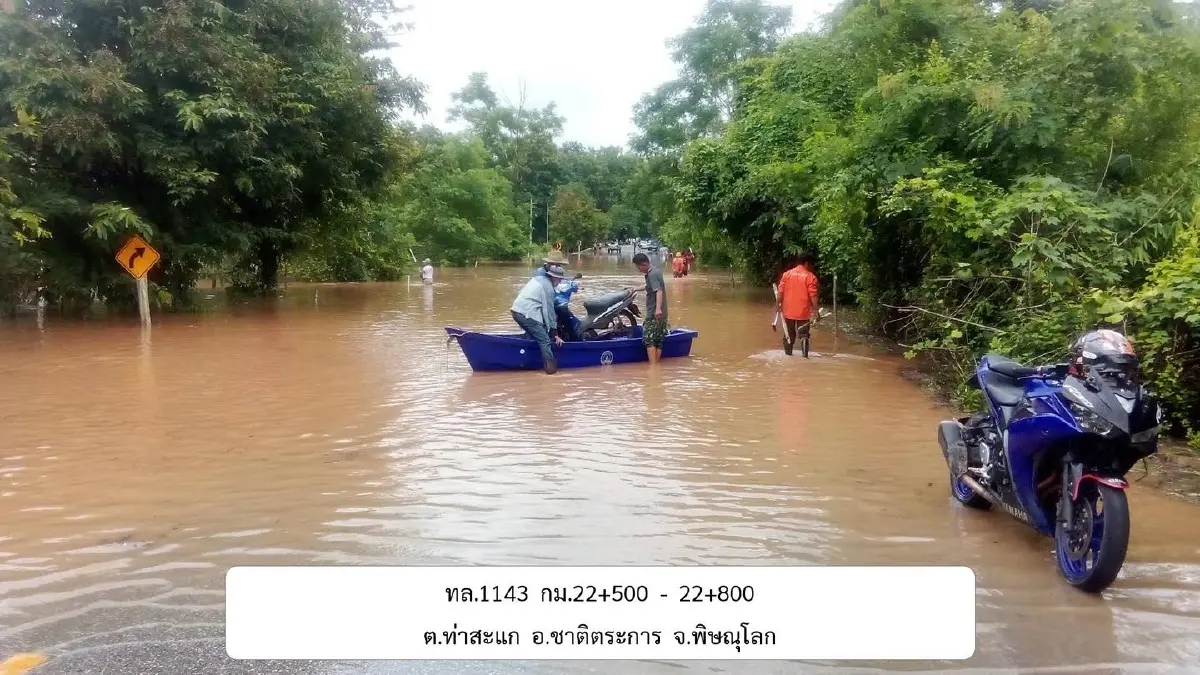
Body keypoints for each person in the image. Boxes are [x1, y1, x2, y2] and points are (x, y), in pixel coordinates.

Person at [511, 264, 566, 374]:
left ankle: (529, 361)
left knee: (535, 337)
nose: (560, 283)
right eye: (559, 280)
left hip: (516, 310)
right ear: (554, 278)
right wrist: (554, 334)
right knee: (545, 340)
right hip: (526, 313)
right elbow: (549, 312)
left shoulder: (539, 278)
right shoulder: (548, 288)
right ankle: (551, 371)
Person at [777, 252, 819, 358]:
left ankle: (788, 357)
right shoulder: (810, 277)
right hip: (803, 312)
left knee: (788, 336)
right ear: (807, 263)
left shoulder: (787, 274)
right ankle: (805, 358)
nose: (812, 267)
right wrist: (816, 311)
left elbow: (780, 292)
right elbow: (813, 295)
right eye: (811, 265)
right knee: (804, 336)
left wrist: (778, 306)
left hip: (788, 312)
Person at [633, 252, 668, 364]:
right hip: (663, 313)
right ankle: (656, 367)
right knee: (658, 340)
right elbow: (649, 287)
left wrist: (657, 309)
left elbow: (659, 290)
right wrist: (634, 289)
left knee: (649, 339)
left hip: (654, 313)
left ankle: (652, 367)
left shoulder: (652, 274)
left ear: (643, 264)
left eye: (638, 267)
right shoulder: (656, 272)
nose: (638, 270)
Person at [554, 273, 584, 342]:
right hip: (561, 309)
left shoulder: (550, 283)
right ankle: (575, 341)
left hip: (553, 308)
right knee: (569, 326)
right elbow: (575, 289)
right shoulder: (570, 284)